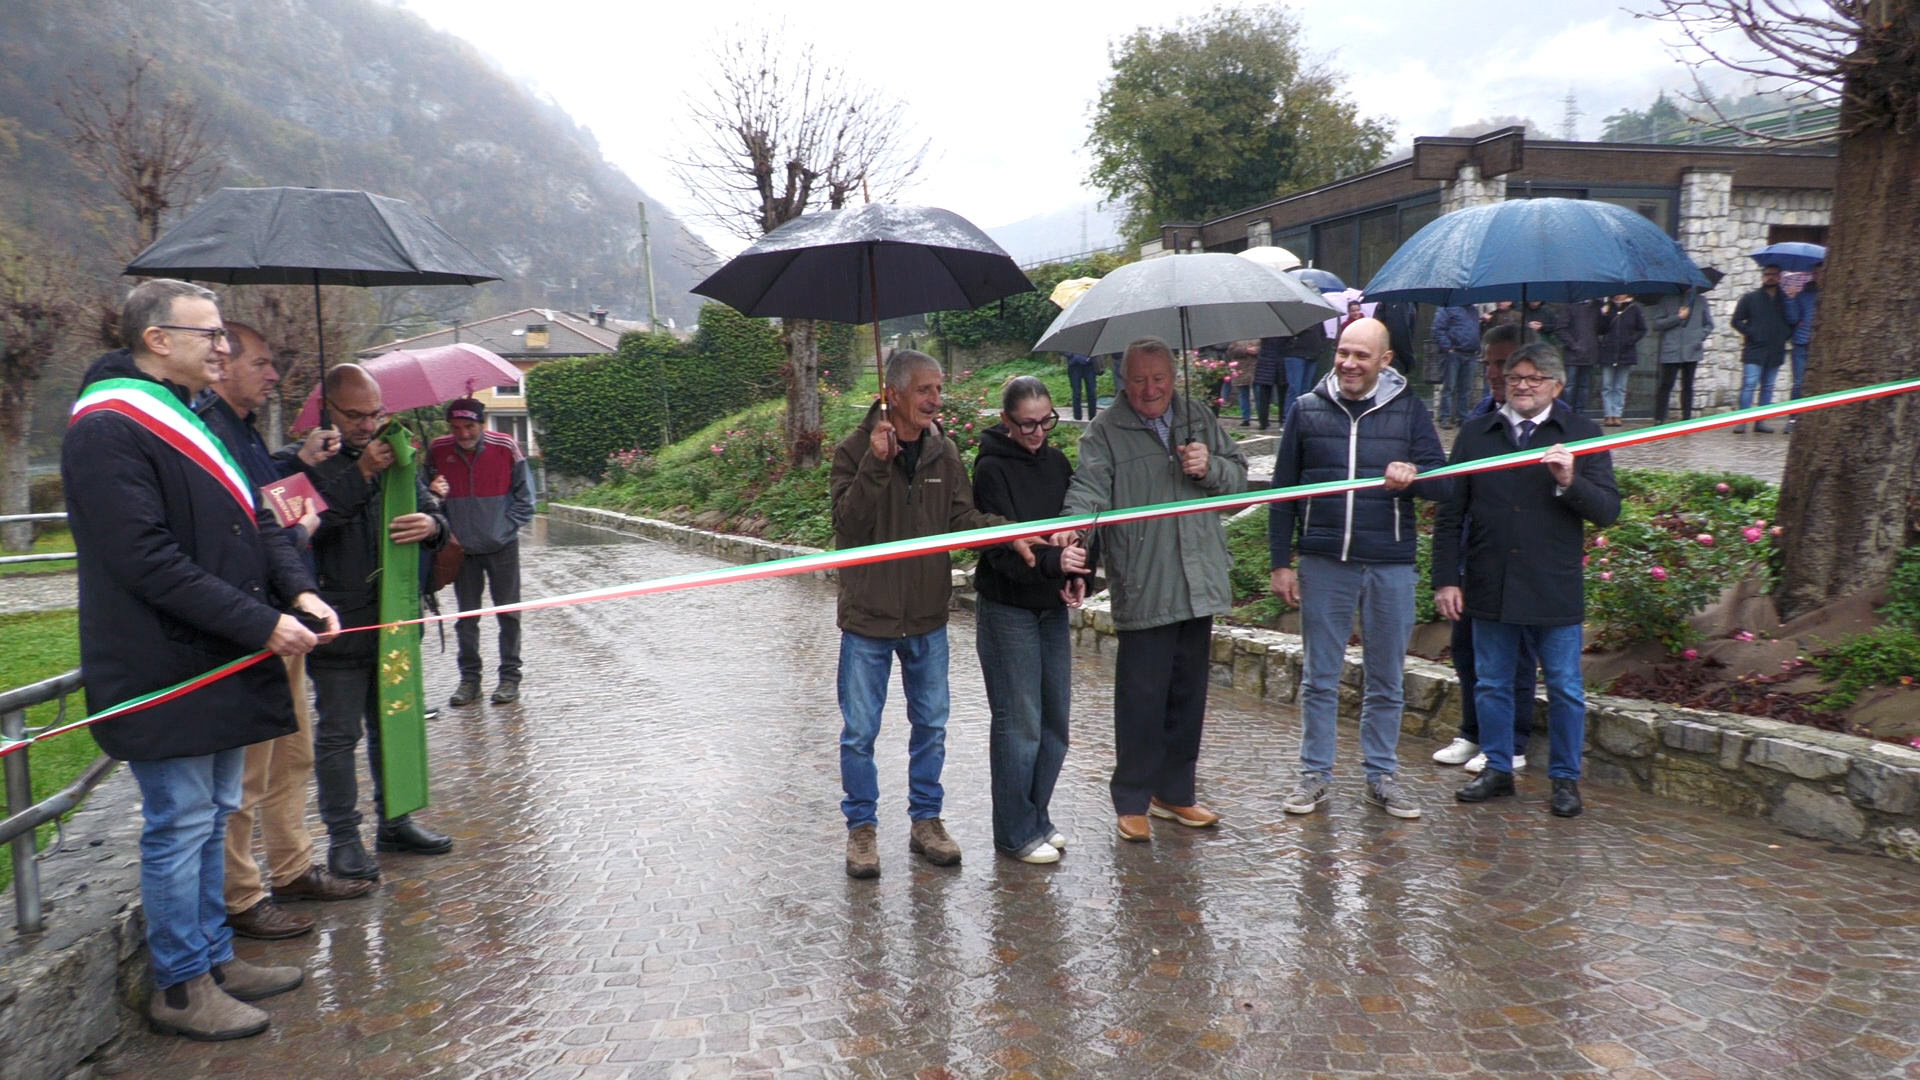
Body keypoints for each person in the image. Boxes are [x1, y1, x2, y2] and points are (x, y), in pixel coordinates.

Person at [64, 279, 339, 1040]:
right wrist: (262, 623)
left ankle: (215, 956)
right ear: (157, 340)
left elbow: (258, 514)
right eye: (209, 334)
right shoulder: (109, 429)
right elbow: (145, 559)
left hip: (217, 655)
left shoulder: (197, 415)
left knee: (215, 813)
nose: (224, 347)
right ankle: (181, 985)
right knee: (180, 821)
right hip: (164, 665)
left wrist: (300, 593)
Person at [198, 324, 374, 943]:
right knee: (247, 773)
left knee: (293, 754)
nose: (274, 376)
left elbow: (269, 501)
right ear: (222, 367)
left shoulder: (243, 430)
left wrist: (295, 465)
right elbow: (250, 519)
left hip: (286, 619)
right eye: (263, 363)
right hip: (252, 625)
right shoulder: (207, 428)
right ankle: (242, 895)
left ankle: (294, 867)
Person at [830, 350, 1034, 879]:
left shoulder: (944, 453)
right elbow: (848, 530)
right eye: (925, 390)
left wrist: (1007, 533)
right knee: (859, 731)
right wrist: (876, 465)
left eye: (938, 390)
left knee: (933, 726)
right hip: (868, 620)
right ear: (892, 393)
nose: (935, 400)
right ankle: (862, 830)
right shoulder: (854, 450)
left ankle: (926, 822)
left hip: (926, 617)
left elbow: (961, 517)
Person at [1061, 337, 1248, 842]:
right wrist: (1071, 530)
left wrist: (1209, 467)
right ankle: (1132, 799)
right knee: (1142, 698)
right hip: (1146, 577)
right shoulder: (1105, 432)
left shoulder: (1197, 416)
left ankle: (1176, 793)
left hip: (1200, 576)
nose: (1150, 390)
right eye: (1139, 380)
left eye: (1159, 379)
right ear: (1123, 381)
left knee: (1189, 694)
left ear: (1172, 375)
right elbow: (1088, 492)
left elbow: (1242, 484)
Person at [1268, 319, 1449, 820]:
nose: (1349, 363)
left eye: (1361, 356)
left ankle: (1381, 776)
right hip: (1325, 562)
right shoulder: (1305, 410)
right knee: (1320, 678)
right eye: (1343, 352)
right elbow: (1283, 493)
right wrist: (1280, 562)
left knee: (1386, 679)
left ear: (1384, 361)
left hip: (1389, 564)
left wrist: (1413, 478)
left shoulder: (1410, 411)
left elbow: (1444, 483)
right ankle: (1314, 776)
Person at [1433, 343, 1620, 818]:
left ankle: (1564, 779)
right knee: (1492, 682)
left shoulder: (1581, 433)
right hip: (1489, 581)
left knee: (1563, 686)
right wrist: (1446, 580)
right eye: (1515, 376)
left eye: (1534, 378)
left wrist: (1569, 480)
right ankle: (1497, 769)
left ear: (1557, 386)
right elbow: (1451, 514)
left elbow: (1607, 512)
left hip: (1552, 585)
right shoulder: (1477, 434)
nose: (1522, 385)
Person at [299, 364, 454, 881]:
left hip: (395, 621)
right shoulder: (303, 462)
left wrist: (432, 523)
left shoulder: (397, 457)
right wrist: (359, 471)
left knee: (395, 721)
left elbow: (435, 514)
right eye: (356, 416)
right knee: (339, 735)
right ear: (329, 411)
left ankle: (397, 819)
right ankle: (344, 839)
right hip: (338, 625)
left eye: (376, 414)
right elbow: (301, 530)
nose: (369, 425)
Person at [970, 377, 1092, 864]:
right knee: (1019, 723)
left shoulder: (1058, 463)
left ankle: (1038, 816)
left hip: (1050, 607)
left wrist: (1080, 570)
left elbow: (1073, 532)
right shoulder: (991, 470)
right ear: (1006, 421)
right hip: (1007, 609)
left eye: (1046, 421)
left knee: (1054, 723)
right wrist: (1050, 565)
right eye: (1027, 424)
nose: (1039, 432)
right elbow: (999, 550)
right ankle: (1014, 831)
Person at [1430, 324, 1541, 775]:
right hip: (1475, 556)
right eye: (1490, 364)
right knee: (1466, 648)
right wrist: (1447, 573)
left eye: (1505, 363)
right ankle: (1474, 731)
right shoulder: (1479, 419)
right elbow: (1454, 498)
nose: (1496, 373)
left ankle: (1512, 740)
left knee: (1515, 656)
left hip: (1524, 563)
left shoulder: (1555, 421)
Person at [428, 398, 536, 706]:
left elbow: (525, 499)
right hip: (461, 552)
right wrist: (433, 493)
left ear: (482, 423)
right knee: (466, 617)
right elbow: (425, 499)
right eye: (456, 427)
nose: (462, 434)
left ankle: (509, 678)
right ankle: (470, 681)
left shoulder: (505, 447)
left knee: (508, 614)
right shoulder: (437, 451)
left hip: (501, 548)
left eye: (469, 427)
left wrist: (502, 530)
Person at [1730, 264, 1793, 433]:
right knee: (1749, 384)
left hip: (1775, 349)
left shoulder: (1785, 300)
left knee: (1768, 387)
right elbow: (1736, 321)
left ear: (1779, 277)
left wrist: (1783, 335)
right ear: (1762, 276)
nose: (1770, 277)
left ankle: (1760, 421)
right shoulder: (1750, 298)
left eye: (1774, 274)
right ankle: (1742, 421)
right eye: (1767, 274)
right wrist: (1751, 333)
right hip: (1754, 349)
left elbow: (1792, 320)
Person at [1649, 277, 1717, 424]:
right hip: (1671, 349)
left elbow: (1709, 325)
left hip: (1691, 350)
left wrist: (1698, 337)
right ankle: (1659, 418)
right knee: (1665, 385)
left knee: (1688, 386)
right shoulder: (1666, 300)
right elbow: (1656, 324)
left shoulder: (1700, 300)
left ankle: (1686, 419)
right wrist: (1677, 318)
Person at [1595, 294, 1647, 427]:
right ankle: (1608, 414)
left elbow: (1642, 329)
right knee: (1607, 385)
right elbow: (1600, 330)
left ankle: (1617, 414)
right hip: (1608, 351)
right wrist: (1604, 315)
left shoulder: (1634, 309)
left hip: (1626, 352)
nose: (1619, 296)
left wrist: (1631, 340)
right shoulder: (1607, 307)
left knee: (1620, 386)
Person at [1430, 303, 1480, 427]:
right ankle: (1444, 417)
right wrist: (1448, 348)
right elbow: (1437, 329)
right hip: (1453, 354)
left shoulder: (1473, 310)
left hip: (1470, 354)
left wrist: (1477, 346)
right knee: (1449, 387)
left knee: (1466, 389)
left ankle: (1462, 417)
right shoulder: (1446, 307)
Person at [1274, 322, 1330, 428]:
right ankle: (1288, 420)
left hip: (1312, 355)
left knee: (1306, 390)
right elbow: (1283, 335)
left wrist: (1320, 348)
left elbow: (1323, 335)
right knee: (1295, 388)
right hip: (1295, 354)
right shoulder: (1294, 315)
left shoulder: (1317, 319)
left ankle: (1303, 419)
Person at [1554, 298, 1603, 417]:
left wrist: (1604, 315)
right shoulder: (1570, 306)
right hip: (1573, 355)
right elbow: (1559, 329)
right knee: (1569, 385)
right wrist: (1573, 345)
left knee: (1584, 386)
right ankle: (1565, 411)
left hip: (1589, 353)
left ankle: (1580, 413)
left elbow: (1602, 329)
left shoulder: (1596, 306)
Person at [1785, 262, 1820, 424]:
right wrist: (1791, 300)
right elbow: (1793, 318)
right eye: (1817, 273)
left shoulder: (1832, 295)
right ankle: (1793, 417)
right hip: (1801, 343)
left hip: (1821, 345)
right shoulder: (1803, 295)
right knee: (1799, 382)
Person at [1252, 335, 1284, 430]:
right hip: (1278, 362)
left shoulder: (1267, 332)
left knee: (1264, 396)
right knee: (1281, 394)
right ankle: (1281, 421)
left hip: (1266, 362)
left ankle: (1263, 422)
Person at [1064, 351, 1101, 421]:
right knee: (1076, 393)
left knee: (1092, 393)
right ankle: (1077, 419)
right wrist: (1073, 356)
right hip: (1074, 365)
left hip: (1089, 365)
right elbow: (1061, 347)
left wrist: (1089, 357)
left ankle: (1093, 419)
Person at [1229, 340, 1257, 426]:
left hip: (1256, 367)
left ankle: (1262, 418)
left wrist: (1257, 350)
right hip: (1241, 369)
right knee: (1243, 394)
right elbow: (1232, 350)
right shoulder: (1237, 338)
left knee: (1258, 394)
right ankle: (1245, 418)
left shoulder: (1259, 337)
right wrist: (1245, 350)